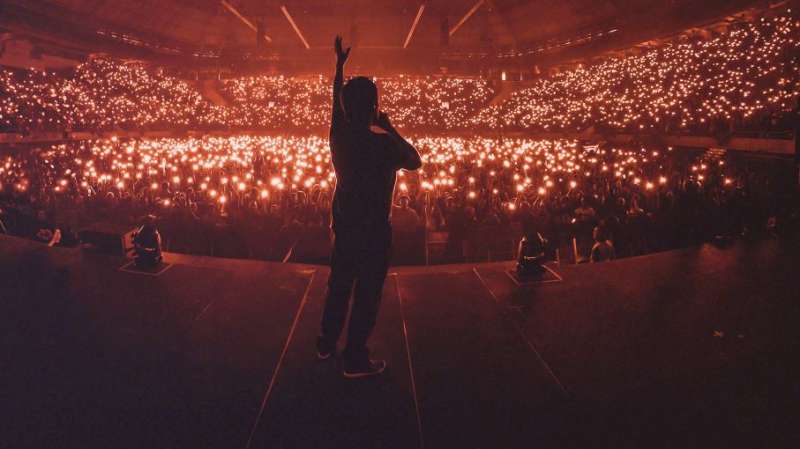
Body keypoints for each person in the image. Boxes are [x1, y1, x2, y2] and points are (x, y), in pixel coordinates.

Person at [317, 36, 422, 379]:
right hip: (374, 231)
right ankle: (355, 359)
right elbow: (415, 160)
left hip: (344, 225)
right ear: (374, 107)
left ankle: (326, 342)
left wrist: (338, 68)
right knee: (367, 294)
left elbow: (335, 102)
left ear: (346, 108)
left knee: (339, 284)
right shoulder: (384, 145)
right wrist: (390, 126)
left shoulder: (339, 137)